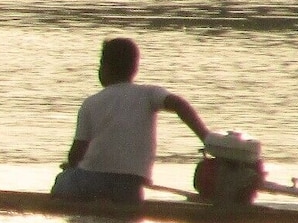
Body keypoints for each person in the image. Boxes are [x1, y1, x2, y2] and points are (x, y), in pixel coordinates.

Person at [52, 37, 211, 204]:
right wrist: (206, 138)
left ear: (104, 68)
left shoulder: (91, 102)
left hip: (92, 182)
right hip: (131, 186)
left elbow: (76, 153)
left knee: (62, 180)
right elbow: (179, 104)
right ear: (135, 68)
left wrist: (71, 167)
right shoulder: (149, 94)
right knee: (124, 194)